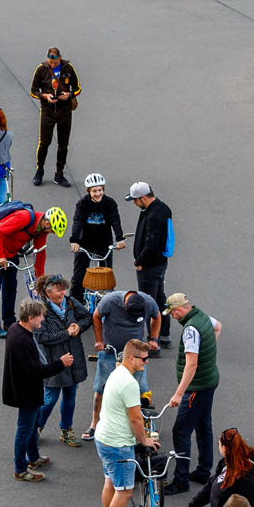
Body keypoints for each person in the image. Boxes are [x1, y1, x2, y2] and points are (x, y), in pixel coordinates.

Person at [94, 337, 160, 507]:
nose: (146, 363)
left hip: (104, 438)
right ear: (131, 358)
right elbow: (136, 419)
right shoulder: (130, 383)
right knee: (125, 490)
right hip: (119, 444)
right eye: (143, 359)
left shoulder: (117, 373)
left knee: (110, 483)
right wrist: (144, 441)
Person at [2, 299, 73, 482]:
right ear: (31, 318)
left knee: (32, 426)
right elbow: (34, 371)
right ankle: (20, 468)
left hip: (24, 389)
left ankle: (33, 458)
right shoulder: (22, 340)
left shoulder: (16, 330)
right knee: (25, 429)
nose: (43, 318)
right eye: (40, 316)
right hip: (26, 392)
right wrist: (60, 364)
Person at [161, 293, 221, 497]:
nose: (173, 317)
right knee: (204, 425)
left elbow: (191, 364)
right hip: (210, 380)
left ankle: (181, 480)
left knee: (180, 431)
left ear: (179, 310)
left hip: (196, 387)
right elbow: (218, 326)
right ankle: (204, 471)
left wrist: (179, 394)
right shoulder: (202, 316)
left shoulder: (190, 330)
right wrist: (209, 352)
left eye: (173, 313)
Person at [84, 288, 161, 440]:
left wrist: (154, 339)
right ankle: (94, 423)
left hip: (135, 354)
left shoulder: (148, 302)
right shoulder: (110, 301)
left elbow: (157, 317)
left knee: (141, 389)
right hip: (110, 351)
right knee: (101, 388)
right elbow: (97, 316)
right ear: (125, 305)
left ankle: (145, 423)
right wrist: (99, 340)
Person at [0, 204, 66, 339]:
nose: (51, 233)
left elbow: (39, 254)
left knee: (10, 287)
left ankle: (9, 322)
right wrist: (0, 256)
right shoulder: (25, 218)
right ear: (46, 222)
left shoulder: (41, 230)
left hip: (10, 251)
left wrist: (40, 281)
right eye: (52, 230)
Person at [35, 273, 92, 446]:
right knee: (49, 399)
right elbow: (42, 337)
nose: (62, 294)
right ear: (47, 292)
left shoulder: (70, 303)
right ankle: (36, 427)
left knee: (70, 397)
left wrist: (78, 327)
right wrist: (66, 333)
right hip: (54, 362)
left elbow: (87, 317)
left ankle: (66, 430)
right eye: (58, 291)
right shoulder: (40, 310)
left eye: (63, 290)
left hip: (73, 359)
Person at [69, 174, 126, 302]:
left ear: (103, 189)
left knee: (106, 277)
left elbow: (115, 220)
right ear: (88, 191)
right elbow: (77, 221)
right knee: (79, 277)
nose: (97, 193)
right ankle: (74, 306)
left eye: (100, 190)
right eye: (94, 191)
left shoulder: (110, 203)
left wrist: (120, 238)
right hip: (85, 243)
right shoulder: (82, 204)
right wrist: (74, 240)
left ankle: (108, 303)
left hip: (103, 243)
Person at [129, 183, 173, 346]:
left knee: (149, 302)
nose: (134, 204)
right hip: (161, 263)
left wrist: (139, 261)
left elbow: (151, 244)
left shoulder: (153, 215)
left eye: (135, 200)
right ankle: (164, 335)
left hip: (150, 266)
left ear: (144, 198)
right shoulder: (163, 208)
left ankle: (153, 342)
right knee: (160, 299)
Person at [30, 47, 80, 187]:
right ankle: (39, 170)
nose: (52, 64)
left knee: (63, 144)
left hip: (64, 112)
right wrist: (45, 96)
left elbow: (77, 88)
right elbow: (33, 91)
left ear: (60, 58)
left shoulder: (68, 69)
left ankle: (59, 173)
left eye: (54, 62)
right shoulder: (41, 69)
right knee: (44, 143)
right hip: (47, 111)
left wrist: (69, 95)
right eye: (50, 62)